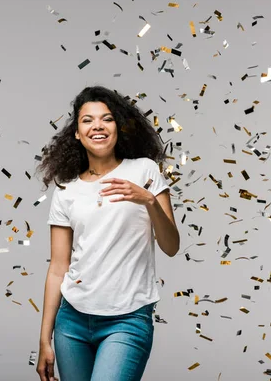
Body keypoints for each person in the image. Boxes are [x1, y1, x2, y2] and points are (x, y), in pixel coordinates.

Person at [35, 85, 180, 381]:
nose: (97, 126)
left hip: (127, 319)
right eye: (87, 120)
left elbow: (171, 245)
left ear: (118, 128)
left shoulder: (145, 170)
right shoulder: (67, 191)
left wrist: (149, 200)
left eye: (107, 119)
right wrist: (44, 339)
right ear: (76, 133)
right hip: (71, 321)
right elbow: (58, 267)